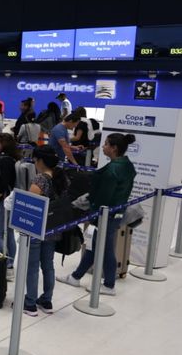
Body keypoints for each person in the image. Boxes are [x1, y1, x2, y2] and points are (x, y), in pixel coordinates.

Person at [58, 134, 137, 296]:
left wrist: (91, 212)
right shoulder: (127, 165)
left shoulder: (112, 170)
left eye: (106, 144)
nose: (103, 147)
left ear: (114, 148)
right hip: (116, 212)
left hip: (107, 214)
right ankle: (76, 276)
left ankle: (109, 285)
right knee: (96, 246)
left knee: (106, 249)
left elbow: (103, 197)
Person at [23, 146, 69, 315]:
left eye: (35, 160)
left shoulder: (40, 180)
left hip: (37, 228)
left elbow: (30, 203)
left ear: (40, 161)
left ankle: (30, 303)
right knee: (48, 265)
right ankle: (47, 300)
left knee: (33, 266)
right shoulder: (61, 178)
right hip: (54, 228)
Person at [0, 134, 18, 277]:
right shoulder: (13, 160)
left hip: (3, 200)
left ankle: (6, 262)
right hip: (11, 200)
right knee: (9, 233)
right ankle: (10, 264)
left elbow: (3, 180)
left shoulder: (3, 161)